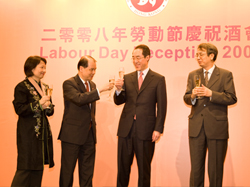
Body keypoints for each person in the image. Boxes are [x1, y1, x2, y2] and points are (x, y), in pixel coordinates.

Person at [183, 43, 237, 187]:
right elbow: (187, 98)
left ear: (211, 56)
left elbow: (231, 98)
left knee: (215, 171)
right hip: (196, 128)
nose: (198, 57)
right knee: (196, 171)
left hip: (217, 129)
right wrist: (193, 95)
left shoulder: (225, 75)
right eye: (197, 55)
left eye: (201, 54)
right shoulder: (193, 74)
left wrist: (211, 93)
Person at [114, 44, 167, 187]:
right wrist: (118, 90)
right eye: (133, 58)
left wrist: (158, 129)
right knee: (122, 169)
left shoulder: (158, 79)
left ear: (147, 57)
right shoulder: (127, 78)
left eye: (138, 57)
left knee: (144, 171)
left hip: (146, 131)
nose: (135, 61)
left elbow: (162, 107)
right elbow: (119, 101)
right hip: (126, 130)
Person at [58, 55, 114, 187]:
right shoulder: (69, 83)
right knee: (67, 172)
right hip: (72, 136)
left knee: (87, 173)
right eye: (91, 69)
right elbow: (79, 99)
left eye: (95, 69)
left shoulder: (92, 85)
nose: (93, 72)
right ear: (81, 68)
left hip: (89, 135)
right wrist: (100, 90)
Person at [11, 56, 54, 187]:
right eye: (41, 67)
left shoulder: (45, 86)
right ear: (31, 68)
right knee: (25, 168)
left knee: (38, 169)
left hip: (42, 134)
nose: (44, 70)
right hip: (28, 133)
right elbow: (19, 109)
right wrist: (39, 104)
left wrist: (48, 107)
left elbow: (49, 112)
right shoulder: (21, 87)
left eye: (45, 67)